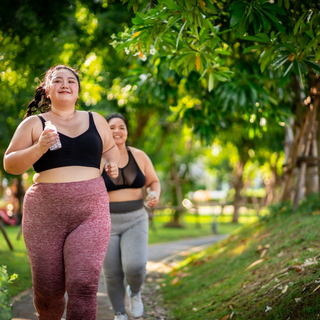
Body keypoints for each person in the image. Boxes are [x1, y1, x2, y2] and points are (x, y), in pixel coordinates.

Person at [3, 65, 120, 320]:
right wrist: (39, 147)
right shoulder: (33, 123)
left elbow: (111, 149)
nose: (65, 84)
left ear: (78, 91)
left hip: (91, 210)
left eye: (71, 81)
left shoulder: (95, 119)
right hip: (45, 214)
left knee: (84, 286)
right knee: (48, 292)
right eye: (58, 80)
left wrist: (112, 163)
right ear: (47, 89)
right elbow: (10, 164)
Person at [101, 113, 161, 320]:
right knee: (112, 273)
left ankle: (134, 292)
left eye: (121, 127)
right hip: (105, 221)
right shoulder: (95, 159)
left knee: (134, 267)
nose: (117, 131)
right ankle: (119, 313)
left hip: (135, 219)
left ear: (126, 131)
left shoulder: (139, 156)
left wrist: (154, 194)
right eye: (111, 127)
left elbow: (153, 181)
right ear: (104, 132)